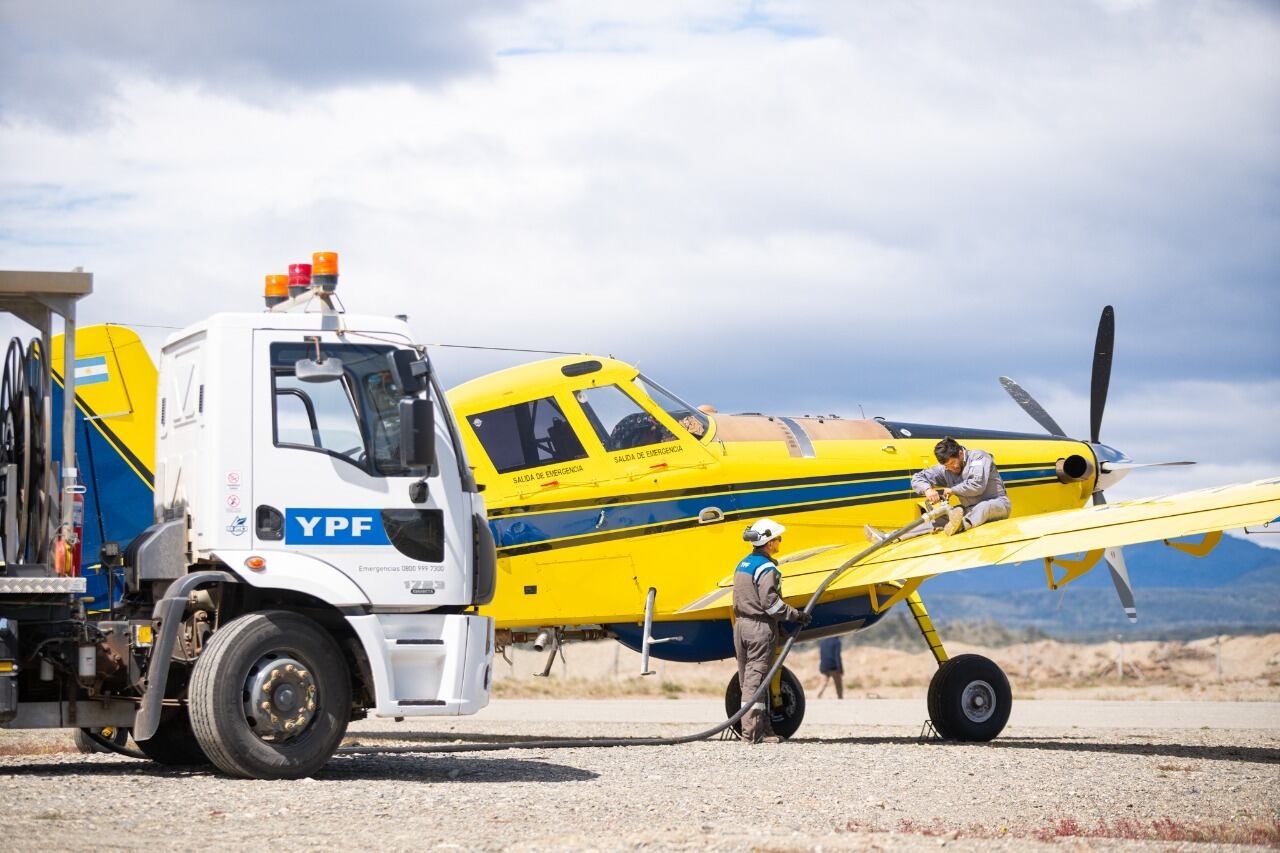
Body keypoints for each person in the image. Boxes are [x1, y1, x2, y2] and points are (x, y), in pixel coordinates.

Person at [733, 517, 811, 743]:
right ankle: (753, 734)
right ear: (769, 543)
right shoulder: (767, 568)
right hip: (759, 628)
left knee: (747, 680)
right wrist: (796, 616)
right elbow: (771, 604)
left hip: (741, 626)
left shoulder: (743, 564)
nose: (780, 541)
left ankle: (764, 731)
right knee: (755, 681)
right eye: (778, 538)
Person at [910, 436, 1011, 535]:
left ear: (960, 453)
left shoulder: (978, 457)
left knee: (983, 507)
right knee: (938, 517)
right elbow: (917, 478)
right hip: (969, 510)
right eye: (947, 466)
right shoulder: (945, 468)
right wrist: (927, 490)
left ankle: (960, 525)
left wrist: (953, 490)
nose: (951, 468)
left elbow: (977, 485)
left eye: (953, 463)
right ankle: (899, 537)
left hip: (997, 505)